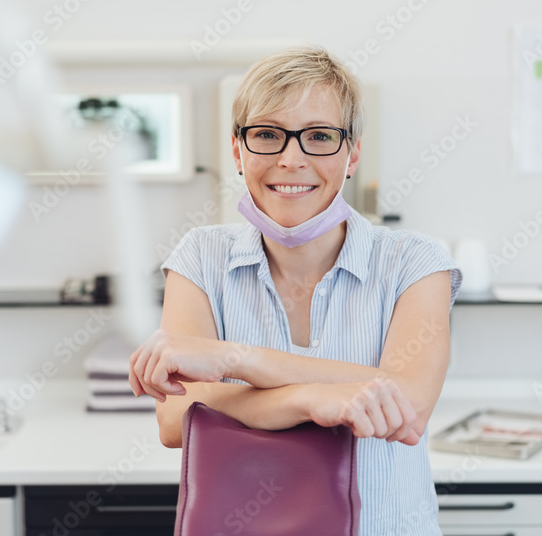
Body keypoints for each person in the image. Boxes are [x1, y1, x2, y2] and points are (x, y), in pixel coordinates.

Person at [128, 45, 462, 535]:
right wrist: (308, 400)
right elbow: (177, 420)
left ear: (352, 154)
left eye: (319, 137)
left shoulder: (415, 262)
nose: (291, 159)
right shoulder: (201, 257)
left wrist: (234, 361)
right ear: (239, 151)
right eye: (267, 135)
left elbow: (404, 410)